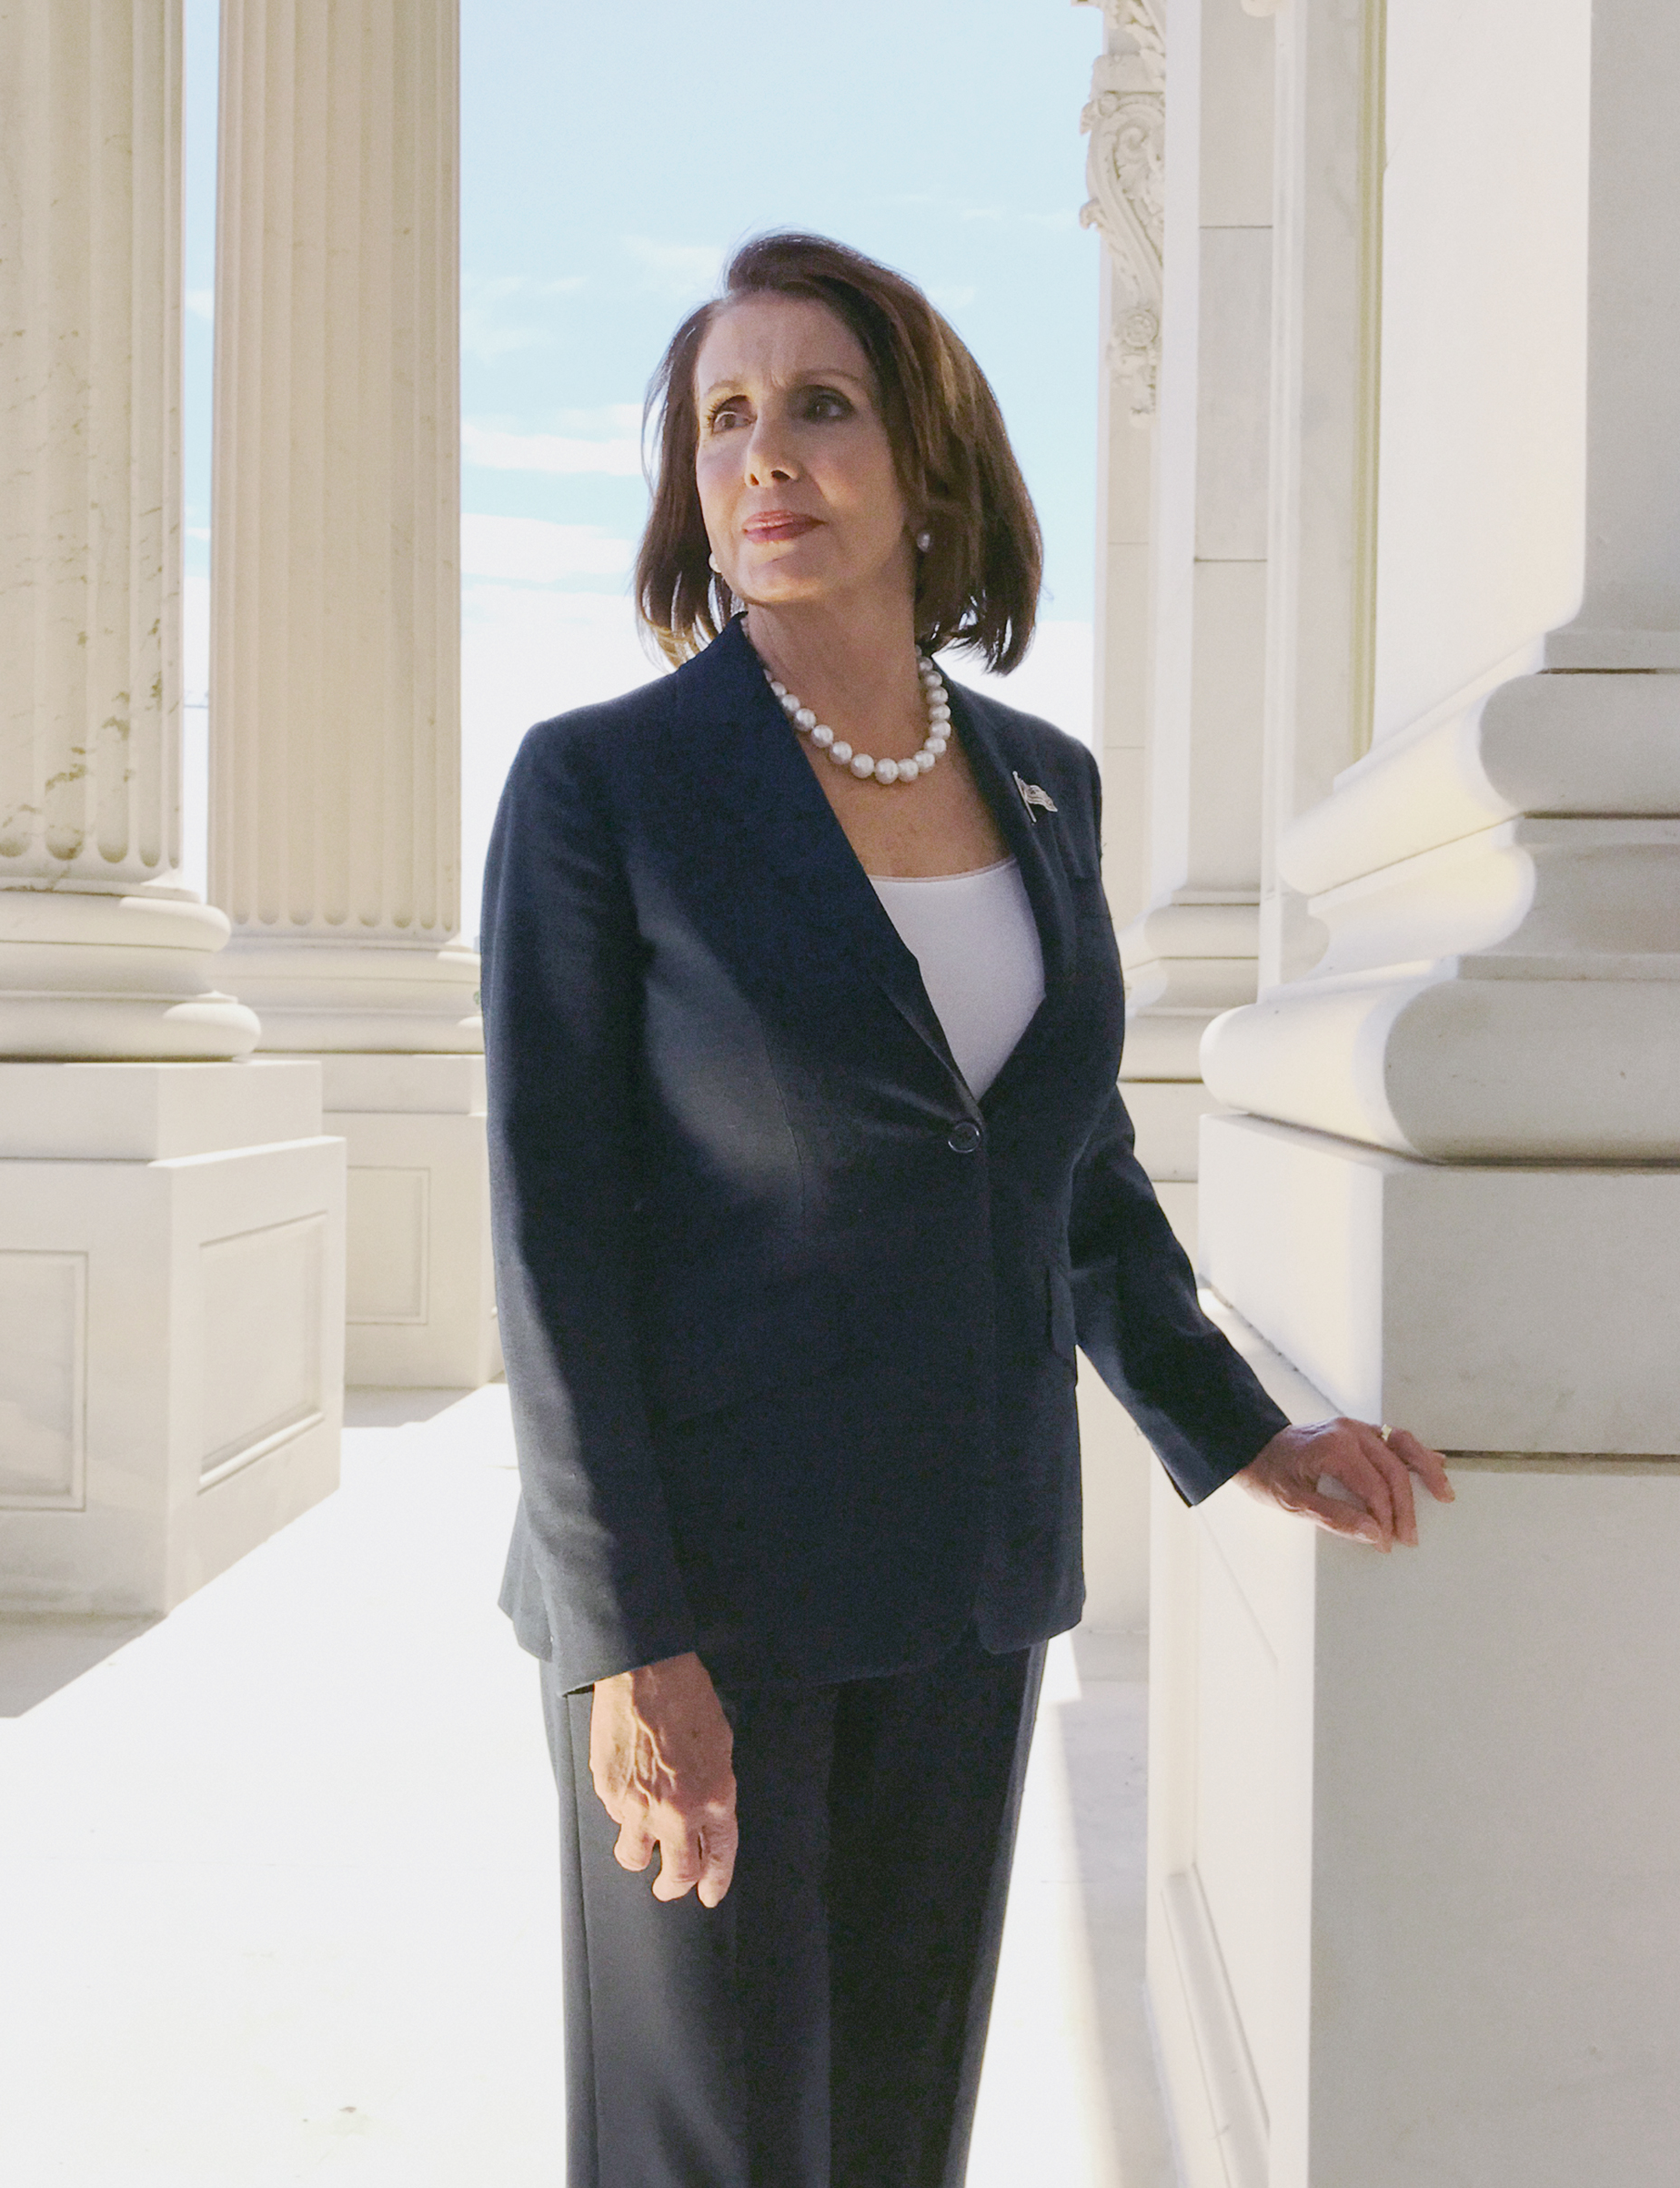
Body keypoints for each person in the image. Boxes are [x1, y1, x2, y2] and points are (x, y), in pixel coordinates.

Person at [479, 232, 1452, 2188]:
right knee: (717, 2153)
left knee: (893, 2142)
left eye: (820, 407)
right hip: (709, 1603)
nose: (767, 457)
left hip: (969, 1577)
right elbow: (554, 1243)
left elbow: (1064, 1168)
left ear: (925, 458)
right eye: (722, 420)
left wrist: (1239, 1426)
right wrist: (624, 1639)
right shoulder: (603, 790)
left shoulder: (1045, 786)